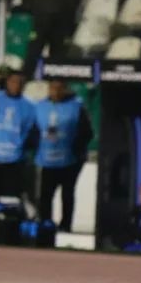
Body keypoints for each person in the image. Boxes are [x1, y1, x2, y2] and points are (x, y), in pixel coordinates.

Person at [34, 78, 93, 232]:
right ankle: (45, 225)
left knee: (67, 194)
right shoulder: (40, 106)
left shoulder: (77, 106)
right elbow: (35, 131)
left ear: (66, 88)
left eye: (60, 88)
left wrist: (76, 150)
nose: (56, 91)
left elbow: (87, 132)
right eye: (53, 88)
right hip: (47, 159)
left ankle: (65, 226)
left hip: (70, 160)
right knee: (45, 194)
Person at [0, 67, 36, 198]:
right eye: (13, 81)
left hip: (14, 163)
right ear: (6, 82)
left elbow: (32, 133)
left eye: (20, 82)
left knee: (10, 201)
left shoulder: (30, 106)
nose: (16, 85)